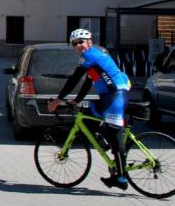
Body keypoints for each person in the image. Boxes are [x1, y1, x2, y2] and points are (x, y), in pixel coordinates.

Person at [47, 28, 132, 190]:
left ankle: (120, 177)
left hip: (116, 94)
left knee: (115, 133)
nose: (78, 46)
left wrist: (58, 99)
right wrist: (76, 100)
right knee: (87, 114)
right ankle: (106, 144)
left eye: (81, 42)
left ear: (90, 42)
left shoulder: (90, 55)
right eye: (75, 44)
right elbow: (88, 81)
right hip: (109, 95)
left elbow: (74, 79)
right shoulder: (93, 57)